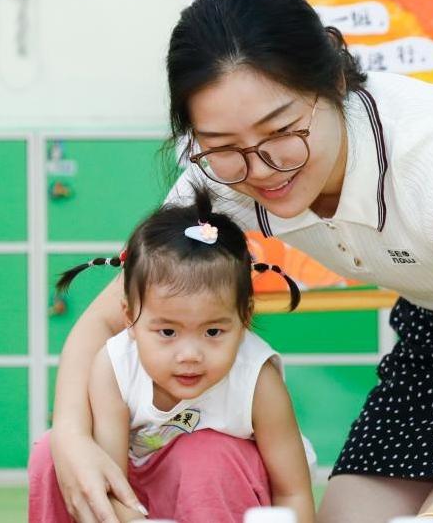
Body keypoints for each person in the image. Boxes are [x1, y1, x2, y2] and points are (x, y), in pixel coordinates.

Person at [37, 0, 433, 523]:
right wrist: (71, 435)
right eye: (223, 144)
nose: (262, 169)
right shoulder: (220, 175)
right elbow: (110, 317)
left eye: (283, 131)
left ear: (334, 79)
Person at [30, 189, 314, 523]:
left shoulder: (257, 379)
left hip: (224, 494)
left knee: (205, 454)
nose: (190, 355)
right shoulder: (114, 366)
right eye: (167, 332)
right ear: (129, 318)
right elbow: (112, 485)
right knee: (53, 451)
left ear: (244, 318)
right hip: (138, 495)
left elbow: (293, 491)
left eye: (213, 332)